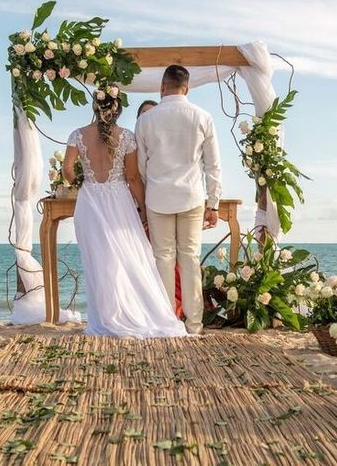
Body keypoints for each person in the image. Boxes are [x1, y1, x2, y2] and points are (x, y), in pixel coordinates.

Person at [62, 92, 187, 338]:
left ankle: (106, 316)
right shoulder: (127, 137)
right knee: (129, 257)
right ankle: (128, 311)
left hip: (90, 200)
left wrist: (83, 183)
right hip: (119, 201)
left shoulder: (77, 135)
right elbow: (132, 178)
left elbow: (67, 169)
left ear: (95, 107)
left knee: (98, 261)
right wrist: (142, 207)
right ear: (118, 110)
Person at [136, 65, 222, 335]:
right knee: (190, 259)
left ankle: (167, 323)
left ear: (162, 87)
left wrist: (147, 193)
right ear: (187, 88)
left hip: (158, 197)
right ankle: (194, 325)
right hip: (192, 196)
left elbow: (140, 167)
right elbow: (213, 166)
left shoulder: (145, 121)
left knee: (162, 259)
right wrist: (214, 203)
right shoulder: (202, 116)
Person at [136, 100, 183, 319]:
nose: (149, 118)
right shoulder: (132, 145)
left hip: (164, 208)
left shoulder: (169, 148)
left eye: (153, 114)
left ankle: (175, 307)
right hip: (138, 211)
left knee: (170, 257)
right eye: (144, 115)